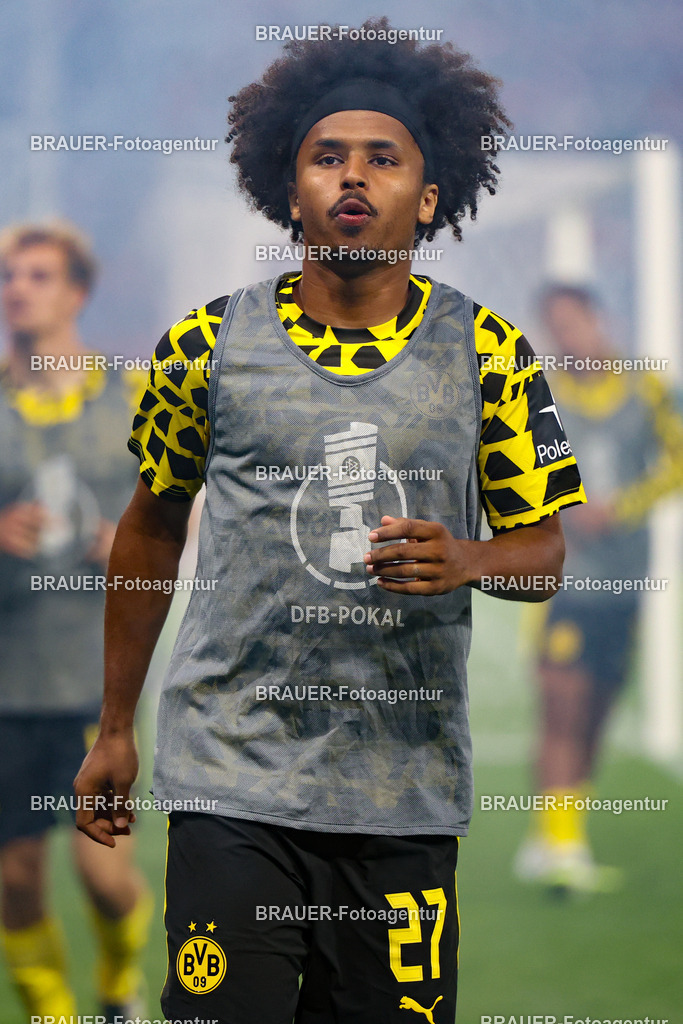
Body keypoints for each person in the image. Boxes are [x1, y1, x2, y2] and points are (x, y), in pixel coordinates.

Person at [75, 19, 585, 1023]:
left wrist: (468, 555)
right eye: (326, 157)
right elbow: (149, 530)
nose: (351, 177)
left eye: (381, 159)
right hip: (231, 775)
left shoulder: (488, 352)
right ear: (287, 186)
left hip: (402, 791)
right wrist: (115, 727)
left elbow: (543, 556)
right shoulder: (205, 344)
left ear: (427, 196)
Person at [0, 222, 153, 1020]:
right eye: (9, 277)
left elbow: (177, 511)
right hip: (8, 680)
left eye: (38, 275)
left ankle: (118, 984)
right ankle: (51, 1014)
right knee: (17, 878)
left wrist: (133, 538)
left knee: (106, 872)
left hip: (101, 682)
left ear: (76, 293)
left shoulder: (129, 395)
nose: (18, 289)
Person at [514, 283, 683, 895]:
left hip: (625, 584)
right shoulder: (541, 395)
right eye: (554, 325)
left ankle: (551, 836)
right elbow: (512, 473)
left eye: (573, 321)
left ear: (597, 318)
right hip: (563, 585)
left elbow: (677, 461)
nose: (567, 336)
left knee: (597, 713)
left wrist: (626, 506)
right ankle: (563, 850)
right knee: (563, 705)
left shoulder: (648, 390)